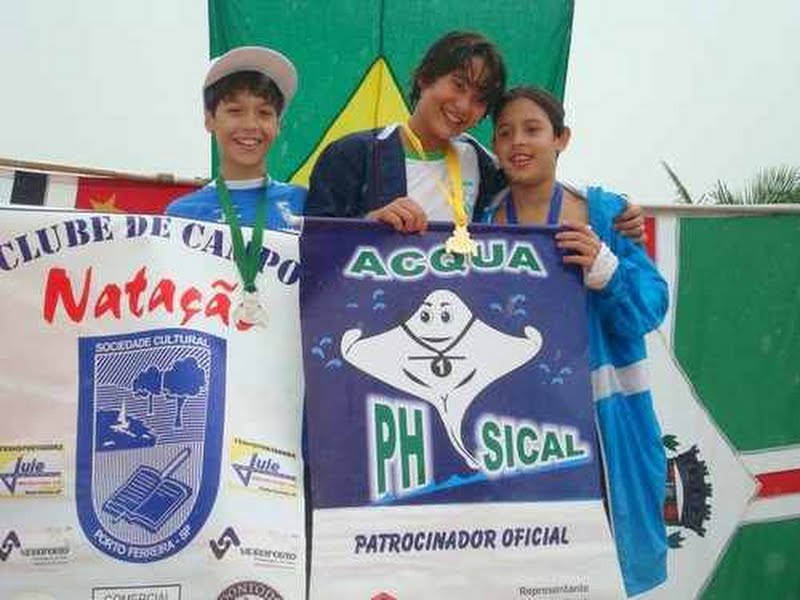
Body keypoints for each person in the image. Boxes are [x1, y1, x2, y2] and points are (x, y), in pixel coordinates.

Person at [483, 86, 668, 596]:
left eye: (533, 129)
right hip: (521, 438)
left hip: (607, 430)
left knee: (605, 574)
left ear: (562, 138)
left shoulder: (605, 213)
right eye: (505, 133)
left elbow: (650, 308)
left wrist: (608, 271)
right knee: (529, 576)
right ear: (494, 148)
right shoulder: (480, 223)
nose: (518, 142)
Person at [305, 30, 645, 241]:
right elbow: (311, 248)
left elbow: (539, 185)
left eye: (480, 99)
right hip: (374, 323)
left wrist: (616, 210)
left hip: (459, 330)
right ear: (425, 77)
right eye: (458, 85)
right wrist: (368, 225)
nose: (463, 105)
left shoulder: (482, 164)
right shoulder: (352, 156)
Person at [167, 46, 305, 228]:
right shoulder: (182, 215)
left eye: (264, 113)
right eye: (235, 111)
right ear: (209, 120)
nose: (250, 125)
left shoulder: (304, 204)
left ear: (278, 124)